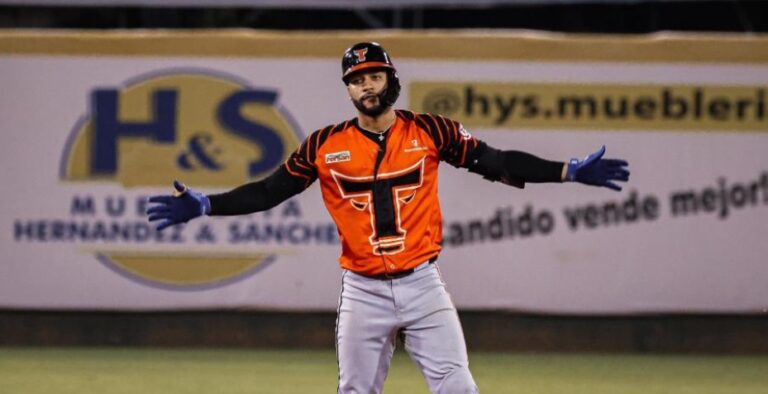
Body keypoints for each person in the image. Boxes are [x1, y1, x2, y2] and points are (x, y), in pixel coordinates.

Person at [146, 42, 629, 394]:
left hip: (422, 283)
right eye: (356, 79)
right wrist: (208, 204)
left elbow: (497, 161)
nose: (366, 85)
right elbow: (271, 191)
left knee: (459, 389)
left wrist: (565, 171)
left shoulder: (430, 130)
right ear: (349, 90)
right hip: (363, 289)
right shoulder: (324, 144)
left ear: (391, 79)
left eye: (373, 76)